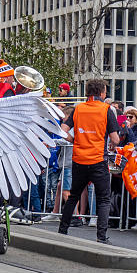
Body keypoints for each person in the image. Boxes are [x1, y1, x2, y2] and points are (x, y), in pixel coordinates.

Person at [57, 79, 120, 243]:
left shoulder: (79, 109)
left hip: (79, 159)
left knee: (73, 196)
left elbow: (63, 130)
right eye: (105, 91)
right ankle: (101, 236)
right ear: (101, 92)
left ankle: (62, 230)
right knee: (104, 198)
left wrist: (75, 139)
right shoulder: (107, 109)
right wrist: (113, 143)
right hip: (98, 159)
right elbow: (115, 139)